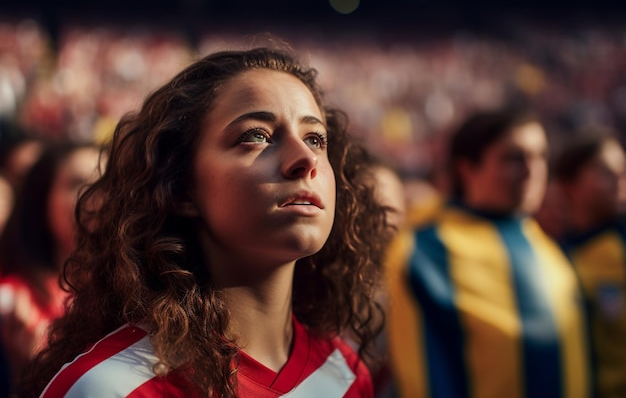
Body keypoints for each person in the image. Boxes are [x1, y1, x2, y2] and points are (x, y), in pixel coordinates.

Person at [20, 46, 390, 398]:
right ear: (181, 188)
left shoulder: (344, 374)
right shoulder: (110, 388)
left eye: (316, 138)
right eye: (256, 136)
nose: (305, 159)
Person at [384, 107, 592, 398]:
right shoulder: (427, 251)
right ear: (466, 168)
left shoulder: (546, 244)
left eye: (541, 156)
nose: (534, 170)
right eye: (515, 158)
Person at [0, 141, 103, 392]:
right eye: (77, 182)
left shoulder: (135, 296)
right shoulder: (10, 302)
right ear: (42, 197)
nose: (96, 195)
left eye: (107, 182)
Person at [553, 127, 626, 398]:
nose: (619, 179)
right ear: (568, 184)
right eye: (605, 172)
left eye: (622, 170)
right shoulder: (552, 254)